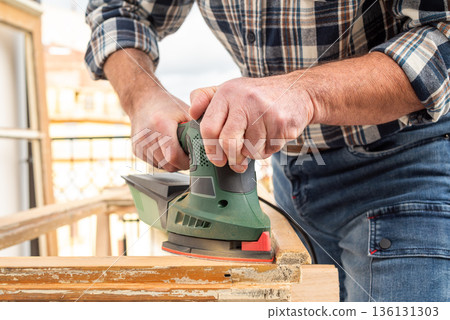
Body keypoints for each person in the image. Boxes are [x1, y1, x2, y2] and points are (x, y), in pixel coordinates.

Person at [85, 1, 450, 301]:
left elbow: (444, 33)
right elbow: (118, 9)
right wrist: (143, 96)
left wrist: (307, 92)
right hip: (287, 175)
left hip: (406, 166)